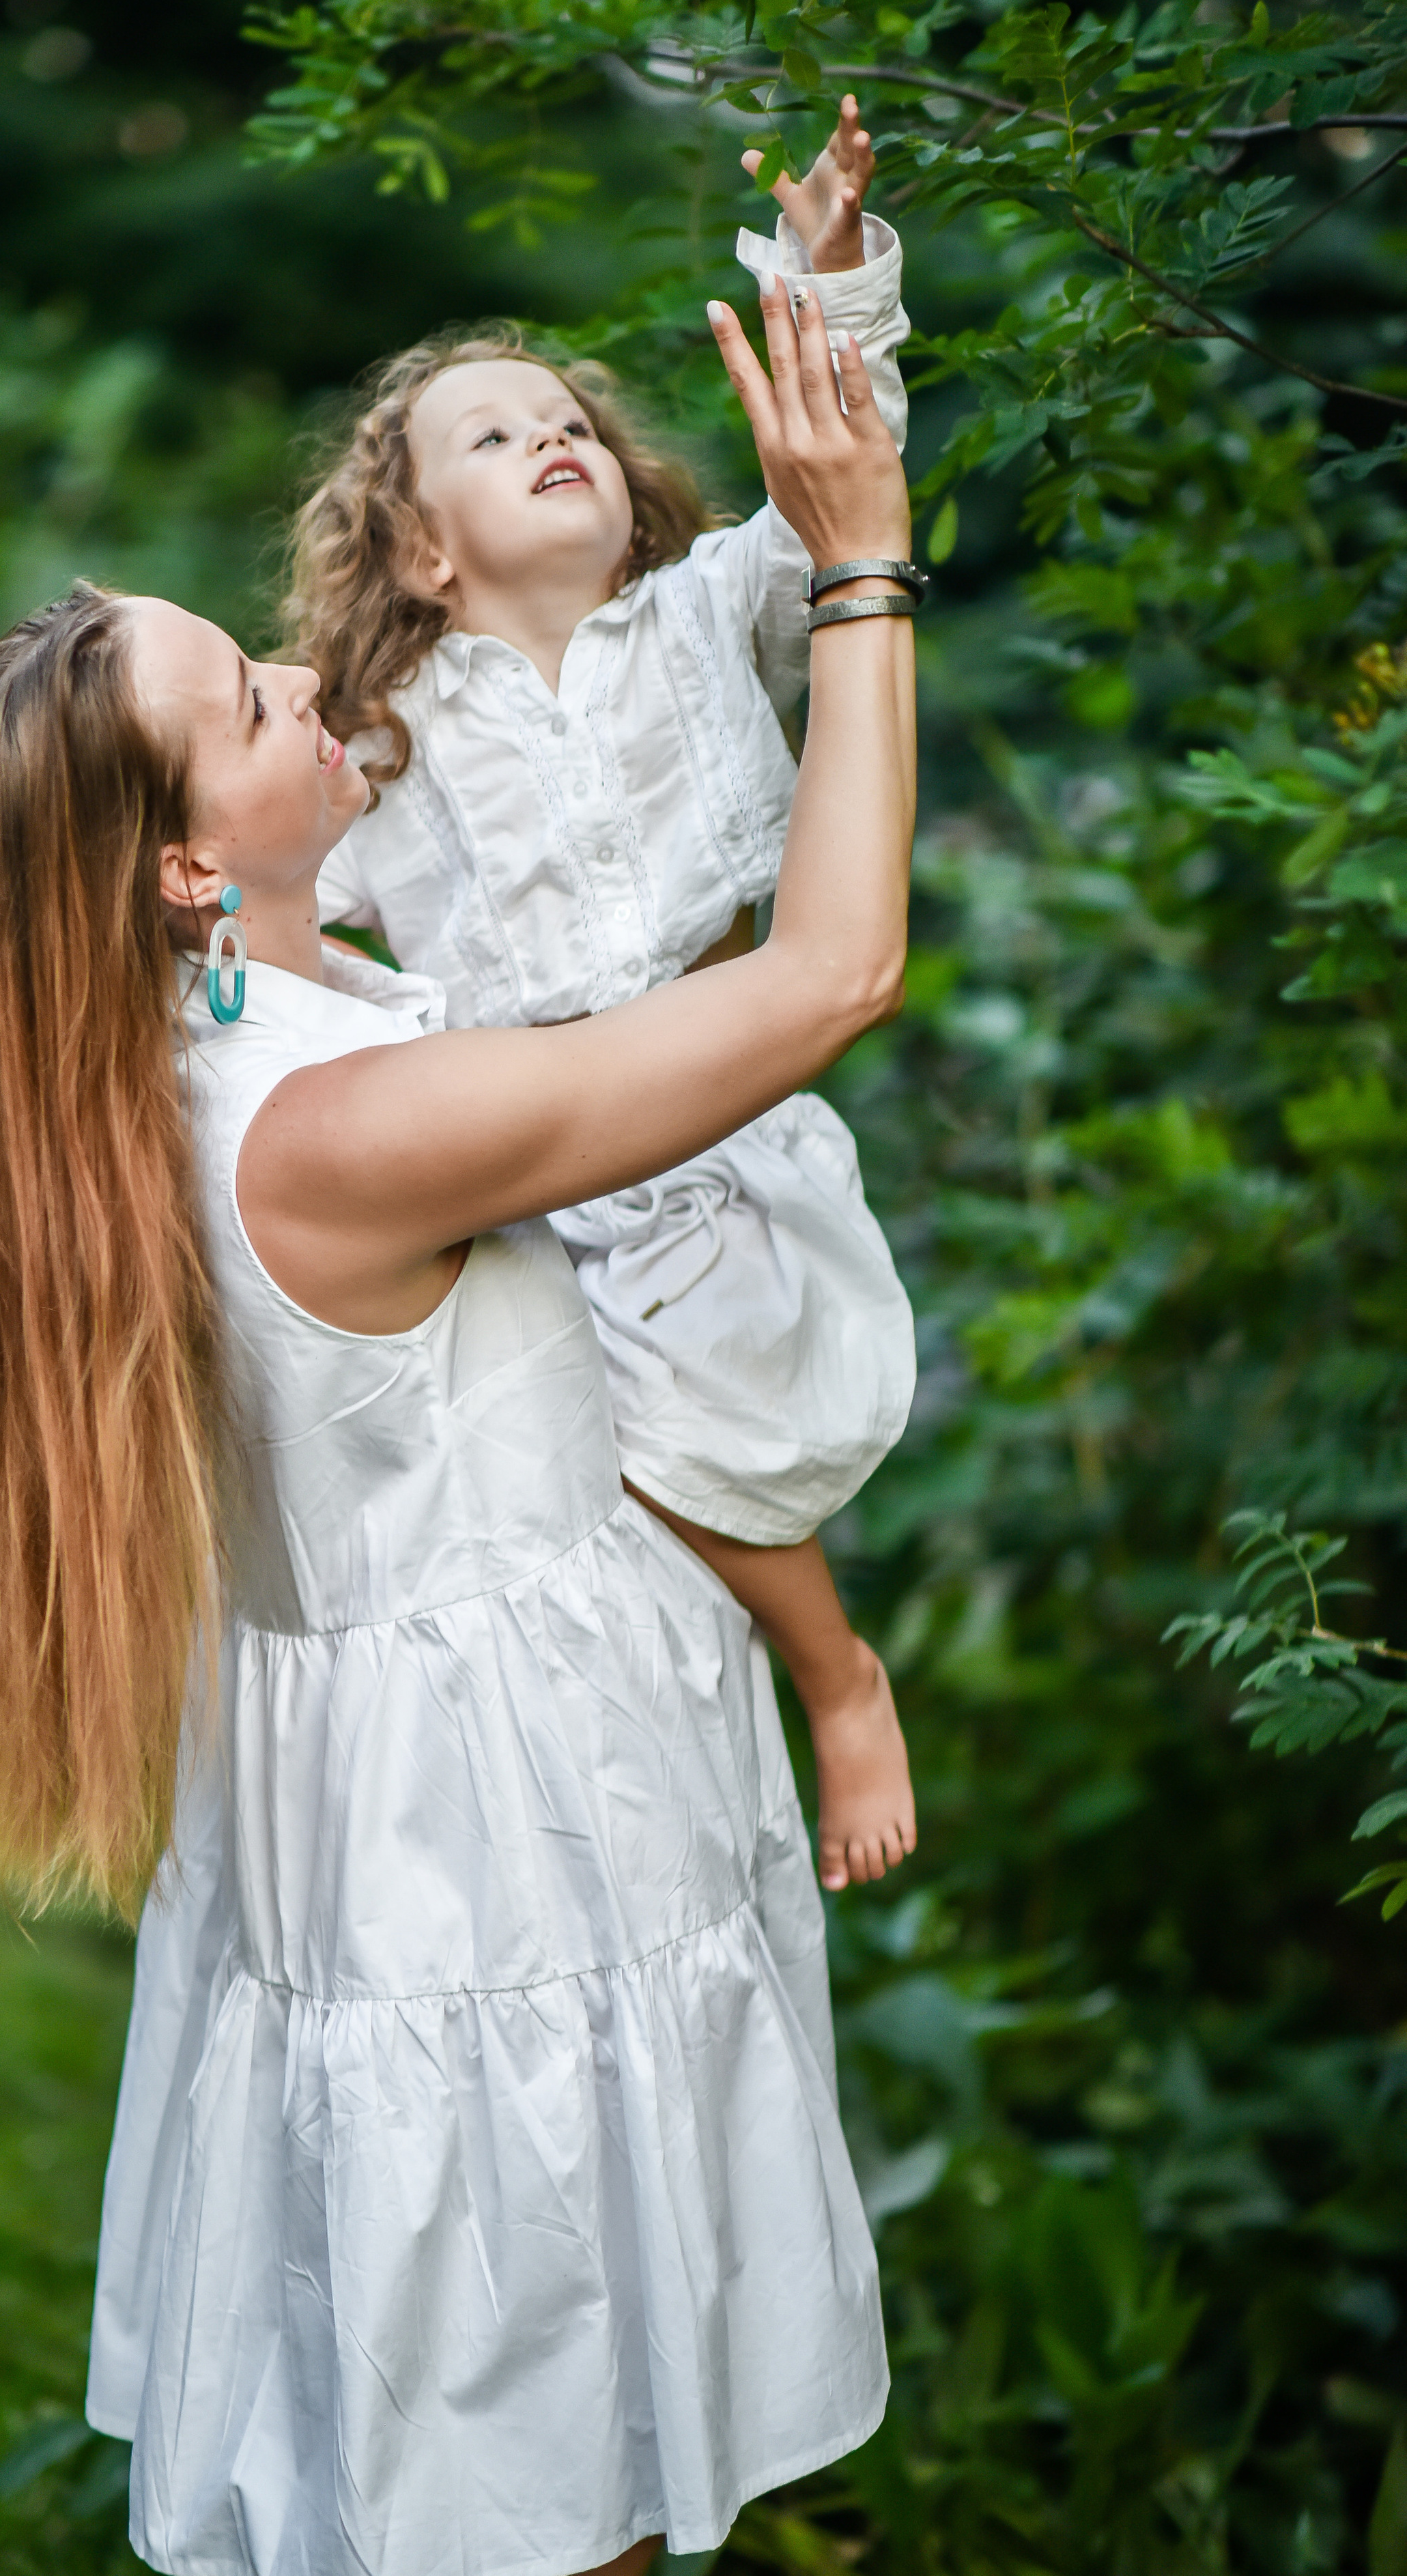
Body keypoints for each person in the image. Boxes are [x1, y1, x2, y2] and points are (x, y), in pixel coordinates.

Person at [0, 271, 916, 2576]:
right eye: (245, 695)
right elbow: (830, 973)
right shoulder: (338, 1128)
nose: (297, 676)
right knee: (543, 2450)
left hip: (404, 1830)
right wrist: (854, 561)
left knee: (454, 2423)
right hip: (506, 1861)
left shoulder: (156, 1075)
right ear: (176, 870)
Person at [288, 102, 918, 1895]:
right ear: (422, 552)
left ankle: (833, 1670)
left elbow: (844, 487)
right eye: (492, 437)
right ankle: (828, 1670)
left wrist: (831, 280)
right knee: (586, 1437)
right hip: (520, 1150)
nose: (552, 437)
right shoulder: (390, 739)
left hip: (720, 1096)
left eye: (569, 422)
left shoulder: (714, 612)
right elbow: (280, 910)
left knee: (699, 1392)